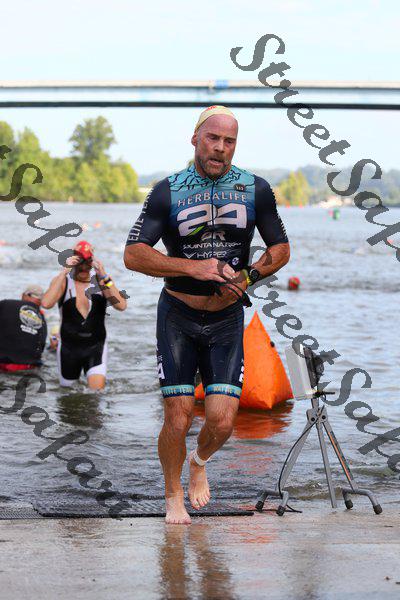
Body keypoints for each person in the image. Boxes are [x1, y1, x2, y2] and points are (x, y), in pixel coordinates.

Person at [124, 105, 290, 524]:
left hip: (226, 318)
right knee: (178, 415)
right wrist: (192, 268)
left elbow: (281, 249)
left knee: (222, 420)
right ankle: (172, 494)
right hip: (178, 315)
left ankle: (199, 462)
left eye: (229, 141)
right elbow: (133, 254)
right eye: (212, 138)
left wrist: (249, 276)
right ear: (195, 138)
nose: (220, 147)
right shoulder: (167, 191)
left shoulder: (255, 189)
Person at [42, 240, 127, 389]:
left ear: (91, 263)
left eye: (87, 265)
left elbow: (121, 305)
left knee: (96, 394)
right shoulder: (63, 282)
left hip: (96, 347)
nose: (83, 269)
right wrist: (63, 272)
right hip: (68, 349)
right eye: (79, 264)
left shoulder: (102, 281)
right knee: (68, 395)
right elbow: (46, 303)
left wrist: (104, 275)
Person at [0, 285, 47, 372]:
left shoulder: (6, 304)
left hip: (3, 363)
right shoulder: (41, 316)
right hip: (30, 366)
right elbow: (41, 345)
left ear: (24, 295)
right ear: (41, 301)